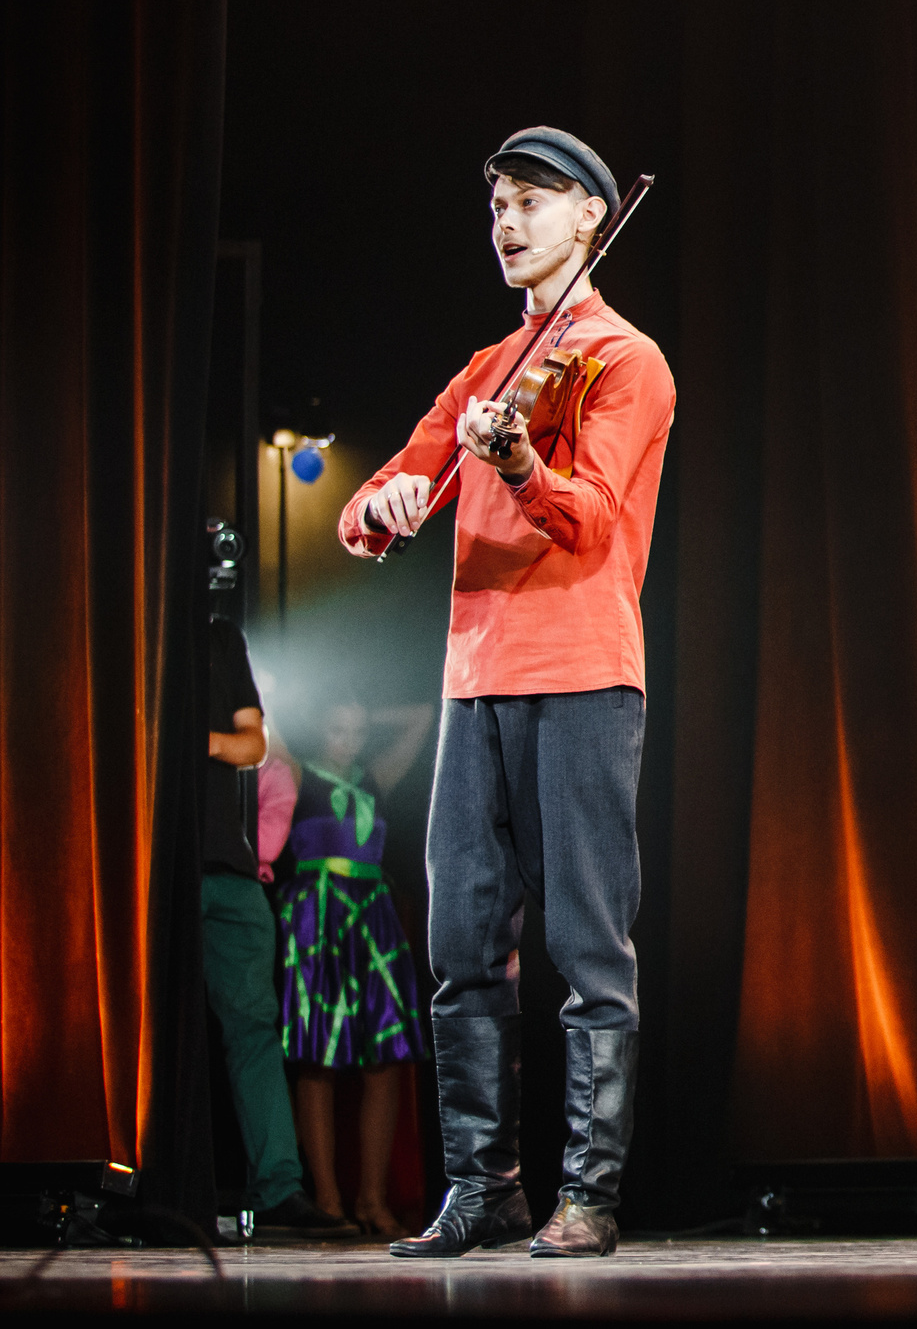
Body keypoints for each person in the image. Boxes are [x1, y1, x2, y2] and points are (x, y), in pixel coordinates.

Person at [338, 126, 675, 1259]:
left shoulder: (625, 360)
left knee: (588, 948)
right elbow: (399, 476)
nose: (508, 224)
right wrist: (377, 510)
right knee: (462, 946)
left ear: (591, 216)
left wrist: (524, 463)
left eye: (532, 203)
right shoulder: (490, 367)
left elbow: (590, 519)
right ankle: (482, 1190)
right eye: (497, 208)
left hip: (581, 672)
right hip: (473, 680)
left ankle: (587, 1194)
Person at [198, 590, 356, 1238]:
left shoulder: (219, 637)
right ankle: (141, 1180)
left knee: (256, 1029)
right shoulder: (121, 634)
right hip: (146, 866)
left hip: (227, 868)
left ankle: (280, 1188)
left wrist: (195, 737)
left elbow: (253, 744)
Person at [271, 700, 435, 1236]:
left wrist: (367, 712)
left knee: (386, 1060)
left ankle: (371, 1199)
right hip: (318, 915)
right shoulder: (298, 770)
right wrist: (319, 711)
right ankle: (328, 1200)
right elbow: (269, 721)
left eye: (357, 730)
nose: (350, 738)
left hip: (374, 917)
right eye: (339, 728)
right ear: (320, 727)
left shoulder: (374, 777)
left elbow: (421, 716)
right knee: (318, 1057)